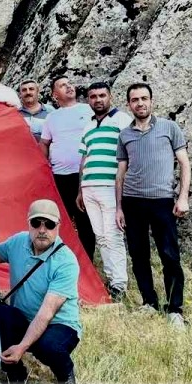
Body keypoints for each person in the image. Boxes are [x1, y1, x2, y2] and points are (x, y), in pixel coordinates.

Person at [116, 83, 191, 328]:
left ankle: (174, 309)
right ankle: (149, 302)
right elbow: (120, 173)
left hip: (162, 201)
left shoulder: (169, 128)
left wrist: (183, 197)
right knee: (139, 256)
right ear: (129, 104)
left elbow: (185, 164)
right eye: (135, 99)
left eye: (144, 98)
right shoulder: (125, 135)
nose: (140, 103)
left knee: (169, 255)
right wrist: (118, 207)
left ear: (152, 101)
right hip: (132, 202)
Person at [0, 199, 81, 384]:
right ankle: (16, 377)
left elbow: (46, 313)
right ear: (28, 224)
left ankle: (66, 377)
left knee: (48, 347)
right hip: (24, 318)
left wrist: (22, 347)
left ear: (58, 226)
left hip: (58, 324)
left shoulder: (66, 262)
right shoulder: (17, 242)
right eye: (36, 223)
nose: (42, 230)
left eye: (49, 224)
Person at [75, 82, 132, 302]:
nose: (98, 100)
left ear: (110, 96)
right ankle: (111, 279)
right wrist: (80, 189)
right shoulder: (88, 126)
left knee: (113, 235)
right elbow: (84, 158)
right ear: (88, 100)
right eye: (93, 96)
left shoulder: (122, 120)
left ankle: (119, 284)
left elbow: (130, 153)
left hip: (110, 187)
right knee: (100, 236)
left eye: (102, 95)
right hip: (89, 188)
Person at [40, 75, 95, 259]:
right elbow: (44, 143)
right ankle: (60, 258)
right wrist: (44, 164)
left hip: (85, 175)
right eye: (63, 86)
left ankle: (87, 261)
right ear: (55, 95)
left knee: (85, 221)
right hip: (60, 176)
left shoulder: (88, 109)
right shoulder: (51, 118)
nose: (69, 87)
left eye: (70, 84)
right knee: (61, 220)